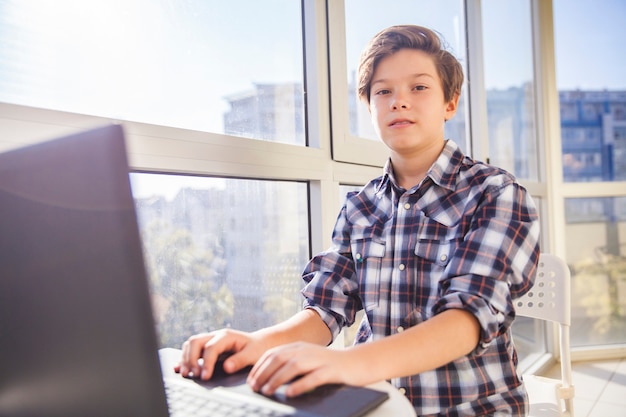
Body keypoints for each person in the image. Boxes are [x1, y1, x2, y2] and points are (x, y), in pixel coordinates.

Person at [176, 24, 540, 416]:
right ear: (369, 107)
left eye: (419, 87)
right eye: (383, 91)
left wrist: (345, 364)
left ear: (450, 103)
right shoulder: (360, 206)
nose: (399, 101)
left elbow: (467, 319)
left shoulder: (495, 193)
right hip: (374, 404)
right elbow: (326, 308)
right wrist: (258, 343)